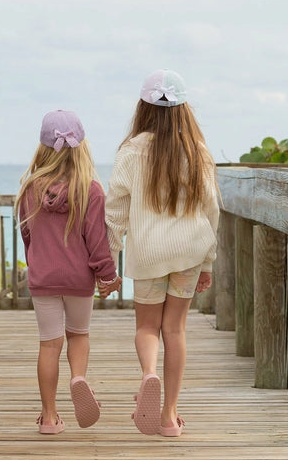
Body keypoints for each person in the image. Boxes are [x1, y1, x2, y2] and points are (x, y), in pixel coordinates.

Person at [102, 69, 219, 437]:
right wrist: (208, 260)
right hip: (189, 251)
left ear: (143, 107)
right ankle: (169, 415)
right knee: (176, 329)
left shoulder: (131, 151)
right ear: (184, 109)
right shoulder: (197, 152)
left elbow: (115, 210)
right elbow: (211, 207)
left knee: (147, 327)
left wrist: (108, 259)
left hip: (149, 254)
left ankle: (148, 374)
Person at [14, 110, 122, 435]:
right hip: (79, 280)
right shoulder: (90, 190)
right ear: (81, 147)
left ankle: (49, 417)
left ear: (42, 148)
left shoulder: (29, 190)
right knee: (79, 335)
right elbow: (97, 242)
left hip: (43, 279)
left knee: (49, 344)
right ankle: (78, 378)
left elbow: (27, 236)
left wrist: (36, 266)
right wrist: (107, 275)